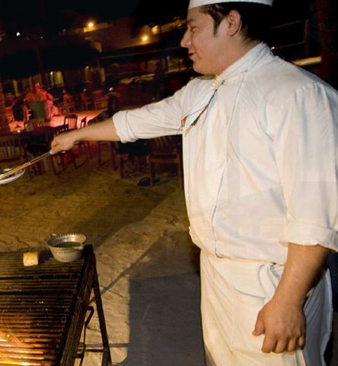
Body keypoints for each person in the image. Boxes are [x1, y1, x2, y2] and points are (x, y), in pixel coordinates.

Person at [51, 0, 338, 364]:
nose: (185, 41)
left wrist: (288, 300)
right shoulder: (201, 91)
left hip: (271, 283)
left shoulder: (298, 94)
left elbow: (316, 213)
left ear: (231, 23)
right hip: (216, 276)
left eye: (194, 28)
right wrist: (78, 136)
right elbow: (138, 122)